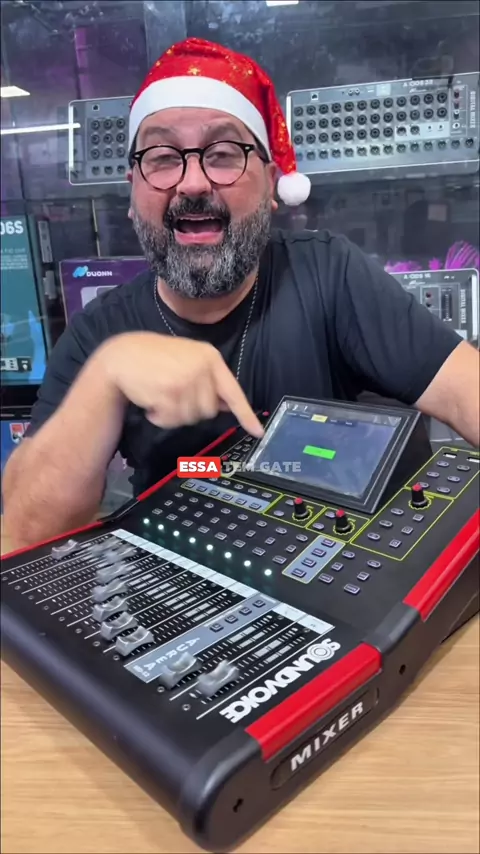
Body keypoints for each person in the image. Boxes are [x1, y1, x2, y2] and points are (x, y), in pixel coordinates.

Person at [3, 38, 479, 549]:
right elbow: (23, 534)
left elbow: (465, 390)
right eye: (162, 158)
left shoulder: (329, 273)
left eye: (223, 154)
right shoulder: (98, 332)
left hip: (327, 566)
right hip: (167, 577)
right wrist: (105, 378)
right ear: (132, 194)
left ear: (271, 184)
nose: (192, 183)